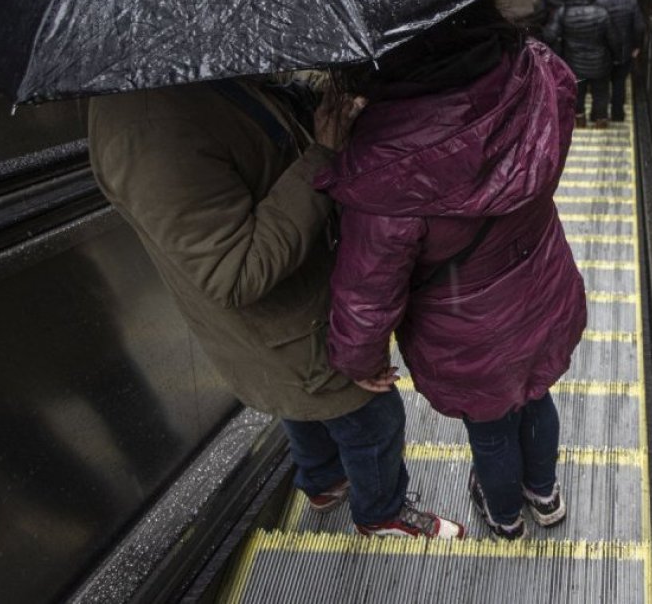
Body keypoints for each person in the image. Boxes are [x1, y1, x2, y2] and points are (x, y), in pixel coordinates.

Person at [87, 76, 464, 539]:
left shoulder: (188, 74)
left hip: (298, 309)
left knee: (301, 403)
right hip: (287, 324)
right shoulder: (148, 133)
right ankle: (380, 513)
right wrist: (322, 156)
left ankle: (324, 481)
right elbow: (234, 270)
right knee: (374, 416)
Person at [319, 0, 588, 541]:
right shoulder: (536, 70)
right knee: (537, 394)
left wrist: (358, 359)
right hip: (542, 279)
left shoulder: (382, 158)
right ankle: (545, 494)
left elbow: (367, 291)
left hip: (465, 321)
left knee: (491, 425)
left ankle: (506, 515)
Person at [545, 0, 623, 127]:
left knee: (577, 94)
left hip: (573, 64)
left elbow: (549, 35)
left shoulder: (563, 12)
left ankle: (579, 120)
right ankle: (601, 121)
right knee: (601, 93)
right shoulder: (601, 13)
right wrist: (617, 58)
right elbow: (614, 39)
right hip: (600, 63)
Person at [590, 0, 645, 122]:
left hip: (602, 54)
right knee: (619, 83)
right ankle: (618, 114)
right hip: (625, 51)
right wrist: (636, 46)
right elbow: (639, 26)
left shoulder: (595, 2)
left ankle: (599, 115)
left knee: (600, 85)